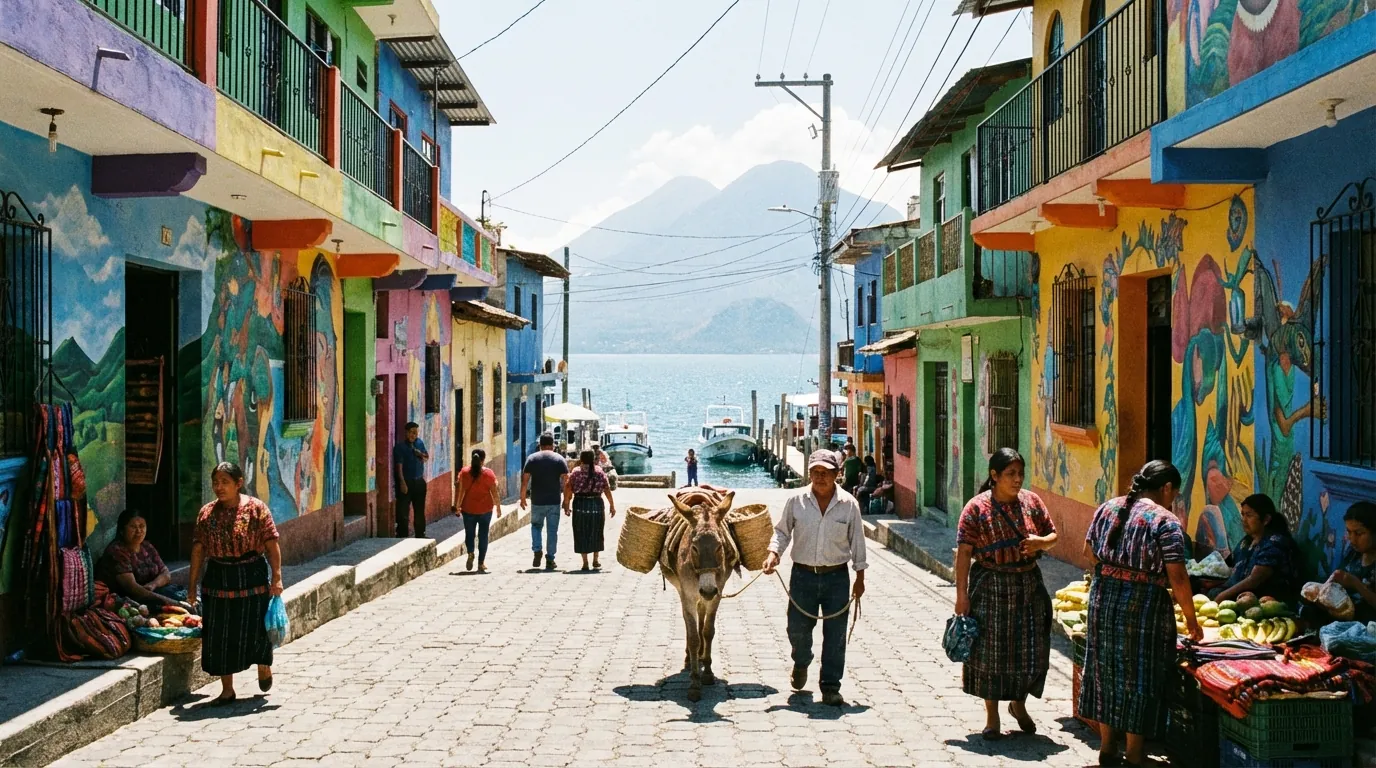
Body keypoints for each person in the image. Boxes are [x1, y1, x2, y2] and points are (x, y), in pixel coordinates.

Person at [1081, 460, 1202, 767]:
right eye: (1173, 493)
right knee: (1140, 676)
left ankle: (1107, 747)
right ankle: (1134, 754)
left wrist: (1113, 574)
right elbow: (1177, 577)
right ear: (1165, 488)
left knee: (1106, 672)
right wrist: (1191, 620)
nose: (1172, 499)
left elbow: (1088, 553)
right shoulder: (1166, 521)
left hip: (1103, 600)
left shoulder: (1107, 509)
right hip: (1145, 607)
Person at [953, 448, 1057, 739]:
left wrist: (1040, 543)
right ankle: (992, 717)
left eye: (1020, 473)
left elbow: (1053, 535)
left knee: (1029, 650)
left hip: (1028, 587)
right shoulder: (976, 509)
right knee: (992, 652)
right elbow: (963, 553)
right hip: (990, 586)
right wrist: (962, 595)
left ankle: (1018, 704)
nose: (1017, 479)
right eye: (1010, 474)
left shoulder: (1032, 502)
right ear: (994, 476)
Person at [761, 450, 868, 707]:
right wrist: (773, 554)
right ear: (809, 473)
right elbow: (782, 532)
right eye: (816, 472)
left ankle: (830, 687)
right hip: (802, 576)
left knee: (835, 635)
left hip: (837, 578)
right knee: (796, 629)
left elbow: (858, 543)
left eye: (826, 473)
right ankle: (801, 660)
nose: (820, 477)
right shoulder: (796, 501)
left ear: (836, 474)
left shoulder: (849, 504)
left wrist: (860, 578)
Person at [188, 462, 283, 706]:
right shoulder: (206, 514)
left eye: (225, 482)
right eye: (215, 482)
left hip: (251, 573)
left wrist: (277, 577)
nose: (219, 487)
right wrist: (192, 586)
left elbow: (271, 544)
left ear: (239, 483)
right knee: (218, 632)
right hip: (218, 576)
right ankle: (227, 690)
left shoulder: (256, 509)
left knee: (255, 626)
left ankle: (263, 664)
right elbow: (198, 550)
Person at [1211, 494, 1299, 603]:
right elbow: (1230, 567)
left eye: (1249, 515)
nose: (1243, 520)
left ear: (1266, 519)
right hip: (1240, 597)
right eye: (1243, 515)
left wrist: (1221, 596)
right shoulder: (1246, 541)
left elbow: (1254, 580)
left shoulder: (1275, 543)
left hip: (1264, 602)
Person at [97, 509, 186, 607]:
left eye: (142, 526)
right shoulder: (116, 551)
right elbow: (133, 589)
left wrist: (153, 584)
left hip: (152, 593)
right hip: (130, 601)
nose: (138, 531)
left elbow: (165, 573)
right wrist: (172, 603)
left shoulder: (147, 546)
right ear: (122, 530)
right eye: (133, 527)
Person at [1307, 501, 1376, 625]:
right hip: (1344, 618)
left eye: (1359, 534)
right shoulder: (1353, 553)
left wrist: (1355, 584)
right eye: (1349, 532)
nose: (1352, 539)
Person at [521, 433, 568, 571]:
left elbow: (525, 480)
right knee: (552, 531)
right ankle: (550, 559)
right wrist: (566, 501)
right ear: (553, 445)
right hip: (554, 501)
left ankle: (537, 550)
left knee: (536, 526)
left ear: (539, 445)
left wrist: (523, 498)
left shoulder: (532, 458)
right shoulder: (559, 459)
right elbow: (566, 481)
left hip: (537, 500)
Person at [563, 449, 616, 571]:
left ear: (581, 459)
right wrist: (612, 505)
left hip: (580, 505)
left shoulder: (576, 472)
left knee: (581, 532)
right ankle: (596, 560)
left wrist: (566, 504)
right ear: (593, 459)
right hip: (596, 504)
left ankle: (585, 562)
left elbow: (568, 487)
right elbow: (607, 489)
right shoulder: (599, 472)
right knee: (596, 531)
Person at [455, 448, 502, 573]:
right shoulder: (489, 474)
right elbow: (494, 492)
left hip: (468, 509)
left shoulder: (464, 472)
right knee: (483, 536)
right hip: (485, 510)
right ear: (483, 459)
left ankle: (470, 552)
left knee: (469, 534)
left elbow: (461, 491)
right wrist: (498, 507)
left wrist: (458, 506)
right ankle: (481, 563)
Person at [392, 422, 429, 538]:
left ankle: (420, 533)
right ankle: (402, 534)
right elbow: (399, 467)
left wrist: (420, 454)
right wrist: (402, 483)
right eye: (412, 432)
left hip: (419, 481)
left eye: (416, 433)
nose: (414, 435)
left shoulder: (419, 443)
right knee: (403, 511)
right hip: (406, 482)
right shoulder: (400, 447)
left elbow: (426, 458)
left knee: (419, 509)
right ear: (407, 433)